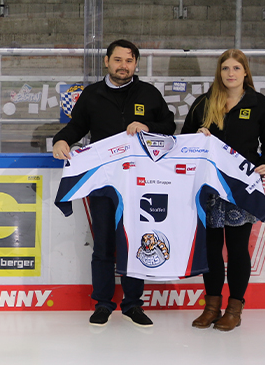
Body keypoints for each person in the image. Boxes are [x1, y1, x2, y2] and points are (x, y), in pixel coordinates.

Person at [52, 39, 176, 327]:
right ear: (107, 61)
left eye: (129, 61)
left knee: (136, 241)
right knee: (104, 243)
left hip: (141, 183)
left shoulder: (148, 93)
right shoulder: (92, 94)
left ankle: (133, 304)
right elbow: (77, 127)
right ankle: (104, 303)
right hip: (103, 182)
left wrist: (148, 127)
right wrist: (61, 139)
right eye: (118, 60)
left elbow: (169, 128)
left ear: (135, 64)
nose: (124, 66)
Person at [181, 49, 265, 331]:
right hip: (209, 188)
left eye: (236, 68)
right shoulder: (204, 102)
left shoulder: (258, 104)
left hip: (241, 188)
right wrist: (195, 136)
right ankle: (212, 306)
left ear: (245, 72)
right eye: (225, 68)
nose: (230, 73)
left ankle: (234, 309)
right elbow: (184, 140)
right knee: (211, 248)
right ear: (219, 72)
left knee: (237, 249)